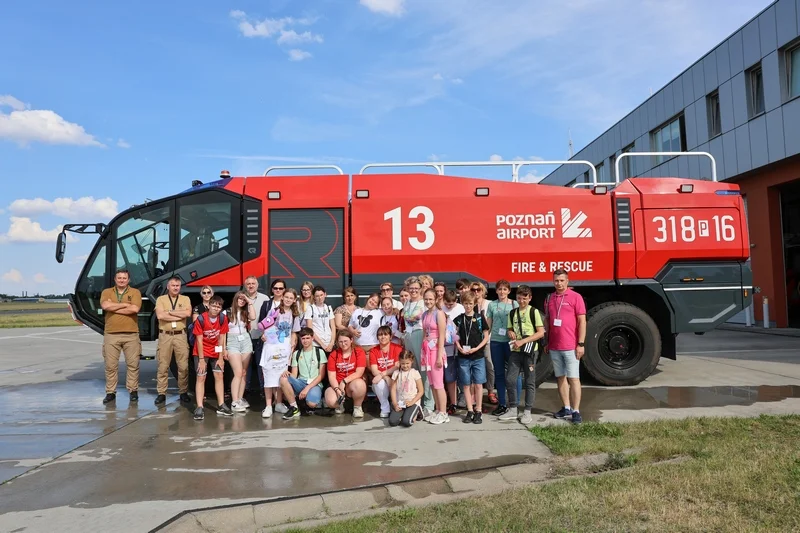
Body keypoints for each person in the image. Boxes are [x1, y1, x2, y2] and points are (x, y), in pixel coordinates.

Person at [545, 269, 587, 424]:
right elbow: (548, 321)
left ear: (567, 281)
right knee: (560, 378)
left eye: (562, 280)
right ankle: (566, 407)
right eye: (556, 280)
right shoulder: (550, 298)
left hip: (571, 346)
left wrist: (580, 344)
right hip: (555, 346)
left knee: (574, 378)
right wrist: (547, 341)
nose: (559, 283)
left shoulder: (576, 297)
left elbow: (582, 321)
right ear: (553, 281)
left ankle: (576, 411)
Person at [99, 269, 142, 404]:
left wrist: (114, 306)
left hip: (131, 334)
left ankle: (133, 390)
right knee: (111, 366)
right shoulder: (107, 292)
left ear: (128, 280)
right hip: (111, 334)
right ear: (115, 279)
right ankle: (110, 392)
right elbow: (105, 305)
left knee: (133, 364)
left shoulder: (135, 292)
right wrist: (124, 304)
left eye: (124, 278)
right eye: (119, 278)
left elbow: (135, 309)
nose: (122, 280)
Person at [258, 288, 301, 418]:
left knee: (280, 377)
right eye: (286, 297)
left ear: (294, 300)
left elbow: (294, 332)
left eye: (291, 298)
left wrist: (292, 344)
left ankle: (279, 404)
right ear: (282, 297)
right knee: (269, 376)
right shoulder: (274, 311)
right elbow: (265, 327)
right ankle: (268, 406)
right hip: (272, 346)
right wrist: (264, 336)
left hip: (285, 347)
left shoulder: (295, 314)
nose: (288, 299)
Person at [505, 285, 545, 425]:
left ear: (530, 298)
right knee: (510, 379)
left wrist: (523, 341)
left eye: (524, 298)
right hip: (516, 351)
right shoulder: (512, 313)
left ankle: (527, 411)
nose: (521, 301)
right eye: (519, 298)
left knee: (529, 381)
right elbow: (510, 328)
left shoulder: (533, 312)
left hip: (529, 351)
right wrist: (510, 333)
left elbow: (540, 332)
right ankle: (513, 408)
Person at [154, 276, 192, 406]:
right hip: (165, 336)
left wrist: (169, 312)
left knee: (183, 366)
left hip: (180, 335)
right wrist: (178, 313)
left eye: (178, 285)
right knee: (163, 365)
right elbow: (160, 315)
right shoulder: (161, 299)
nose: (176, 288)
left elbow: (187, 314)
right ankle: (161, 393)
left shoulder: (185, 299)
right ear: (168, 286)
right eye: (173, 285)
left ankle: (183, 392)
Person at [192, 295, 232, 420]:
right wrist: (202, 360)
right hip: (201, 351)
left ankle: (221, 404)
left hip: (215, 350)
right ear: (208, 306)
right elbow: (199, 340)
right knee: (201, 377)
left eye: (218, 306)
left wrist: (220, 357)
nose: (215, 308)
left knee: (219, 376)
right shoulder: (201, 319)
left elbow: (221, 337)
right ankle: (199, 407)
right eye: (213, 305)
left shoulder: (223, 318)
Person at [454, 291, 489, 424]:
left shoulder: (480, 318)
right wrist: (458, 346)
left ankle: (478, 410)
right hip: (463, 356)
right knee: (466, 385)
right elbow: (454, 335)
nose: (468, 306)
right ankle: (469, 410)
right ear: (462, 304)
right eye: (465, 303)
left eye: (470, 303)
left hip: (478, 356)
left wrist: (477, 348)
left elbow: (486, 336)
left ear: (474, 304)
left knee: (479, 384)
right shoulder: (459, 318)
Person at [486, 279, 519, 414]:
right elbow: (488, 324)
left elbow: (518, 323)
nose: (502, 292)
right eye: (500, 289)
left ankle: (515, 404)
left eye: (505, 289)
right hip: (496, 342)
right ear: (496, 291)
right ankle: (502, 404)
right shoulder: (492, 305)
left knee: (514, 373)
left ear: (509, 291)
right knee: (499, 373)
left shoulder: (514, 303)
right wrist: (483, 340)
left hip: (510, 342)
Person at [279, 327, 327, 419]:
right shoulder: (296, 353)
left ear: (312, 338)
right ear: (300, 339)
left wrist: (307, 388)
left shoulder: (319, 352)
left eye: (308, 338)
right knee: (283, 379)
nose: (305, 341)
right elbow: (294, 374)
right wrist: (287, 374)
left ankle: (312, 400)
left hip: (314, 384)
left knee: (311, 404)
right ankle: (294, 408)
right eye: (303, 338)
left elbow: (321, 375)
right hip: (301, 382)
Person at [401, 276, 431, 416]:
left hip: (420, 335)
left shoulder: (424, 303)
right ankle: (415, 401)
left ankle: (428, 403)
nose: (413, 290)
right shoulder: (406, 303)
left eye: (416, 288)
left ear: (421, 289)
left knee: (424, 370)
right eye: (411, 288)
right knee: (413, 370)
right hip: (408, 337)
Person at [324, 331, 367, 418]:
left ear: (351, 340)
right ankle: (340, 404)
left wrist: (344, 381)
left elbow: (359, 372)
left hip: (352, 382)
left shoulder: (358, 351)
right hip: (337, 383)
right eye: (340, 342)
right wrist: (337, 389)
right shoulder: (334, 355)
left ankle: (357, 407)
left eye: (345, 341)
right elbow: (331, 376)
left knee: (360, 385)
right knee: (330, 401)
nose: (343, 344)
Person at [422, 288, 448, 424]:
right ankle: (438, 409)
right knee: (432, 383)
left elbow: (442, 335)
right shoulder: (425, 314)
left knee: (438, 383)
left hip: (436, 351)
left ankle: (444, 412)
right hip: (427, 351)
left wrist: (439, 356)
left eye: (430, 299)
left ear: (435, 299)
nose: (428, 301)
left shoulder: (440, 314)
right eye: (426, 299)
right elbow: (424, 333)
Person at [227, 291, 255, 413]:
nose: (242, 301)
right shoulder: (226, 312)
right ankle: (234, 401)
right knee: (237, 372)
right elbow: (222, 332)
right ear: (235, 299)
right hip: (232, 341)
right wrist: (223, 348)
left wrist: (249, 303)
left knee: (243, 372)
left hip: (245, 341)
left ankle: (240, 398)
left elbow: (253, 317)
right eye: (240, 299)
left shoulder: (245, 312)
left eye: (244, 300)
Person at [243, 276, 272, 392]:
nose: (250, 286)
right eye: (248, 284)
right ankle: (245, 390)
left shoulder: (265, 299)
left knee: (261, 365)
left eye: (253, 283)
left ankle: (263, 390)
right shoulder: (241, 298)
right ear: (245, 285)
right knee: (246, 366)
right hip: (245, 336)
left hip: (261, 336)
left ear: (257, 285)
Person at [369, 325, 402, 417]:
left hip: (395, 379)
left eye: (385, 334)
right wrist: (386, 377)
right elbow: (374, 370)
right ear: (377, 337)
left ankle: (397, 405)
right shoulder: (373, 351)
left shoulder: (397, 348)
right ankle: (385, 408)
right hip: (383, 380)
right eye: (380, 335)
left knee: (397, 377)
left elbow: (397, 366)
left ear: (390, 337)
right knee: (378, 382)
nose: (383, 337)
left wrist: (384, 374)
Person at [441, 289, 464, 415]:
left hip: (460, 348)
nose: (449, 306)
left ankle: (467, 401)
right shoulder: (440, 308)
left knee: (464, 377)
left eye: (451, 304)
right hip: (447, 349)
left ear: (456, 301)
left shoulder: (461, 308)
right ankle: (453, 403)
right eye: (447, 304)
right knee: (450, 377)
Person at [389, 350, 424, 427]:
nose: (405, 366)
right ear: (399, 363)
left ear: (412, 362)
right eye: (403, 364)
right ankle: (404, 413)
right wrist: (395, 404)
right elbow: (393, 389)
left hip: (412, 402)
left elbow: (421, 391)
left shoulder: (415, 373)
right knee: (392, 422)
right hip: (400, 402)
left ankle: (418, 411)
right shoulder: (396, 373)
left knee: (407, 422)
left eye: (407, 363)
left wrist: (412, 402)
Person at [304, 285, 335, 353]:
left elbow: (333, 327)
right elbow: (310, 330)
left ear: (325, 295)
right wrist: (322, 345)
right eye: (317, 296)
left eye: (321, 295)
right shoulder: (310, 309)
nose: (320, 298)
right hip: (317, 344)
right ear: (314, 297)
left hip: (330, 343)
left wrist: (332, 342)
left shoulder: (328, 308)